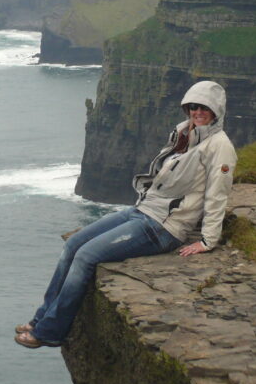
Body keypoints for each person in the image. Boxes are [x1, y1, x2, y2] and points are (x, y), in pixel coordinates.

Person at [15, 80, 237, 349]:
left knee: (86, 256)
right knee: (73, 244)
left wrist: (208, 240)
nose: (198, 112)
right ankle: (41, 319)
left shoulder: (219, 146)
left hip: (163, 228)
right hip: (142, 210)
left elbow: (218, 193)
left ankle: (51, 331)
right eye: (193, 106)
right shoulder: (184, 134)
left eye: (205, 107)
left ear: (217, 111)